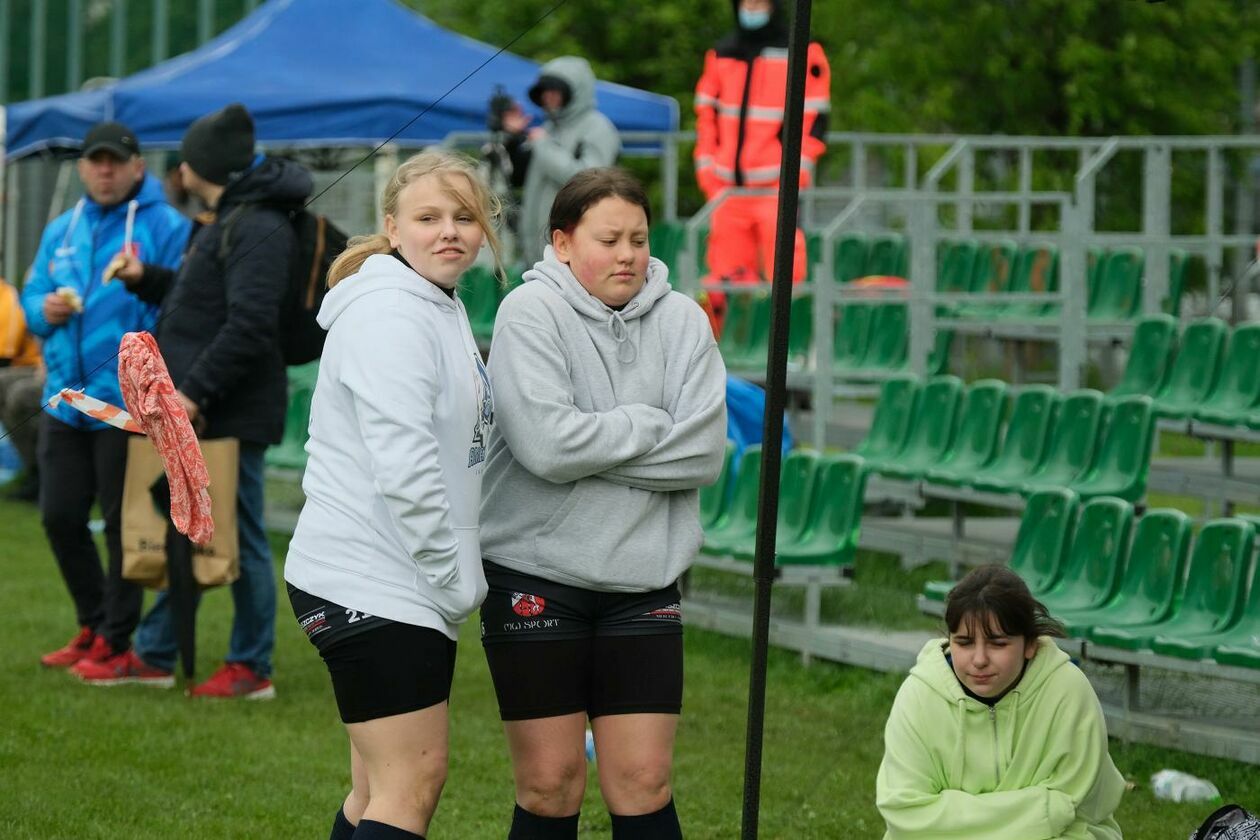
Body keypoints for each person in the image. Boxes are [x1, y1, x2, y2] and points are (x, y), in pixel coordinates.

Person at [480, 167, 728, 839]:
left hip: (644, 581)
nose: (627, 254)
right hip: (535, 577)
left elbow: (704, 454)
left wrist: (595, 446)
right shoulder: (526, 313)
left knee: (645, 783)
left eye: (639, 239)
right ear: (562, 243)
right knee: (549, 785)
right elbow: (546, 446)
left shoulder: (682, 319)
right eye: (609, 238)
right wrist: (650, 424)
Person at [284, 149, 502, 840]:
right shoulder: (391, 314)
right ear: (393, 226)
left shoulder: (437, 303)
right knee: (411, 785)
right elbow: (404, 468)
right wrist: (448, 578)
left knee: (374, 789)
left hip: (392, 576)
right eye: (429, 217)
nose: (449, 232)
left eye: (464, 217)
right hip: (374, 577)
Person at [87, 103, 311, 697]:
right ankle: (158, 653)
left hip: (228, 408)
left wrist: (194, 391)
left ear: (195, 164)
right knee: (183, 529)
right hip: (203, 406)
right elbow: (201, 300)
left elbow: (250, 324)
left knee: (239, 536)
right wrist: (148, 280)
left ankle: (250, 666)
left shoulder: (257, 223)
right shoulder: (227, 215)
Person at [18, 122, 190, 671]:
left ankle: (117, 641)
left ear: (138, 167)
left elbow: (185, 301)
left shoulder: (166, 225)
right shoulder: (62, 228)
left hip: (127, 406)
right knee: (60, 516)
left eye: (116, 161)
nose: (105, 170)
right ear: (83, 168)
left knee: (122, 527)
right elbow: (31, 293)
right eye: (96, 161)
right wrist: (41, 311)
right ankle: (92, 624)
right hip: (65, 398)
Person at [876, 565, 1125, 840]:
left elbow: (1073, 810)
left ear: (1030, 644)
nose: (979, 659)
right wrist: (1040, 809)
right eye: (964, 642)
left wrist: (950, 818)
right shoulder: (918, 696)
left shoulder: (1069, 691)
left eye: (997, 643)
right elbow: (904, 812)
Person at [693, 0, 831, 326]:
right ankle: (720, 356)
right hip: (727, 190)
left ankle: (791, 352)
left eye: (759, 1)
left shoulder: (803, 51)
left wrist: (797, 174)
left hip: (775, 189)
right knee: (722, 281)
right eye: (746, 1)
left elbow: (815, 120)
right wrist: (708, 173)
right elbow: (706, 116)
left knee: (788, 279)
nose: (751, 8)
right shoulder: (721, 53)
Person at [508, 56, 621, 266]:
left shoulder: (597, 127)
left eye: (555, 90)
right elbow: (519, 178)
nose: (548, 97)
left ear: (575, 91)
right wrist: (514, 141)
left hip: (576, 254)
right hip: (537, 254)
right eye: (544, 91)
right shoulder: (549, 129)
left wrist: (543, 146)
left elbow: (589, 182)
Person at [0, 276, 44, 501]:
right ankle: (35, 470)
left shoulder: (6, 297)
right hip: (30, 370)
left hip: (37, 367)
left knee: (18, 394)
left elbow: (4, 356)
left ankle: (39, 472)